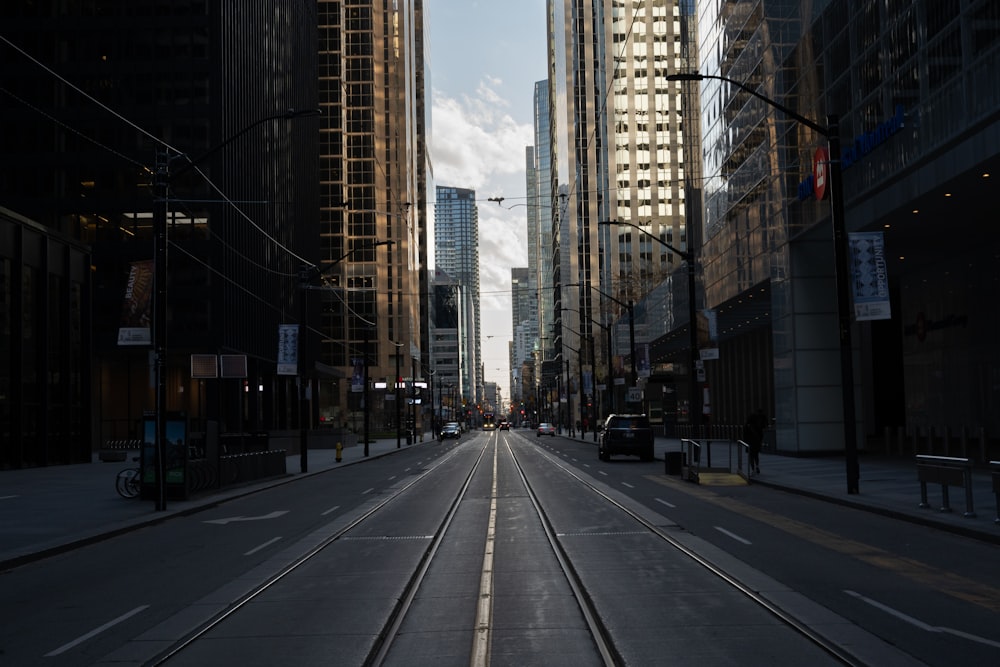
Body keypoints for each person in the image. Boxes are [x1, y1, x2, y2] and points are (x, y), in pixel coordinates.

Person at [744, 408, 767, 475]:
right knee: (756, 455)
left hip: (750, 442)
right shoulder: (757, 426)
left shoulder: (747, 426)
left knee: (751, 456)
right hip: (756, 442)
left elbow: (745, 435)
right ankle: (757, 466)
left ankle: (753, 469)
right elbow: (761, 434)